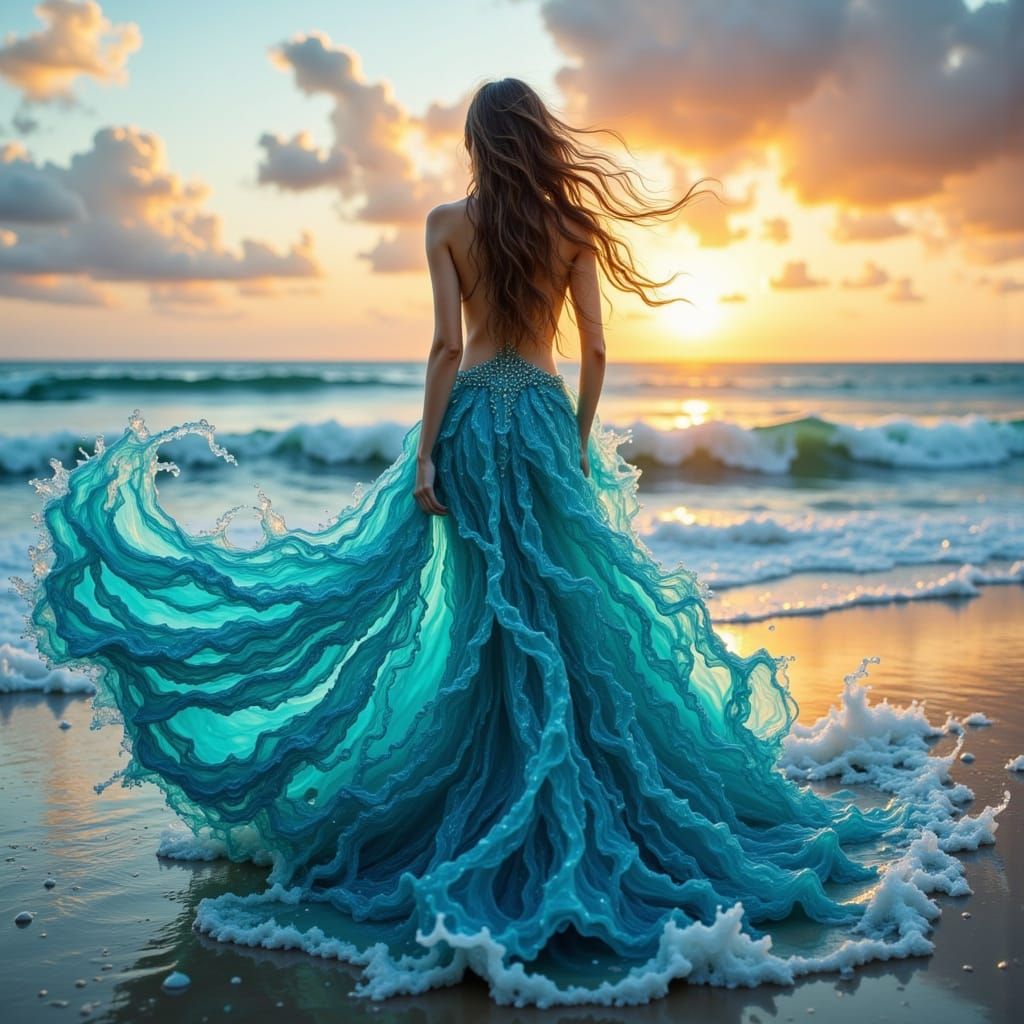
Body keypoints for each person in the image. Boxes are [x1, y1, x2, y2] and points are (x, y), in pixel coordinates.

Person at [22, 78, 914, 1007]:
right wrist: (575, 440)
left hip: (474, 428)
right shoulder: (572, 228)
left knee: (486, 611)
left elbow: (447, 347)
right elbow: (597, 350)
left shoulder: (447, 223)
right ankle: (563, 781)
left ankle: (500, 787)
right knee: (562, 610)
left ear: (478, 144)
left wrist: (425, 451)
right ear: (540, 139)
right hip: (541, 420)